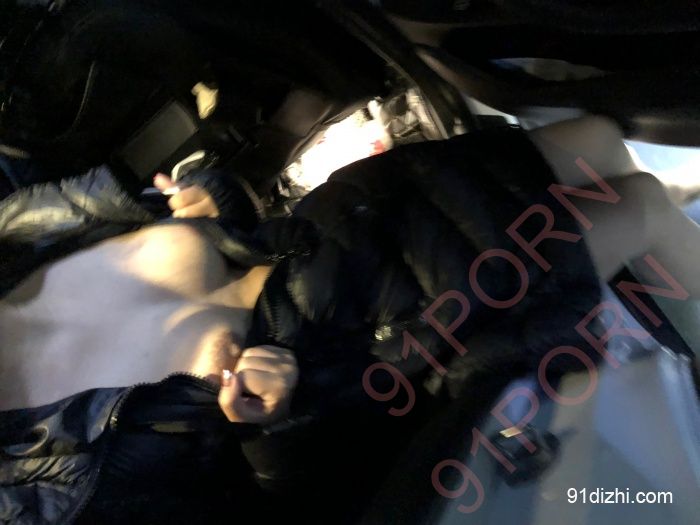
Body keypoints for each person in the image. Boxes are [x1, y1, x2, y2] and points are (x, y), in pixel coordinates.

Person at [0, 116, 695, 524]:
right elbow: (284, 509)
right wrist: (271, 423)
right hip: (399, 319)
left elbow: (235, 236)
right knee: (639, 208)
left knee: (601, 141)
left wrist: (214, 202)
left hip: (356, 214)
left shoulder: (15, 231)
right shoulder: (46, 486)